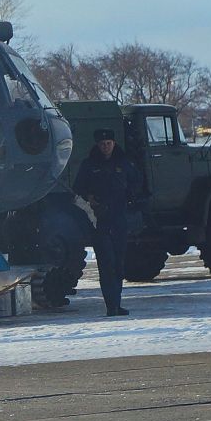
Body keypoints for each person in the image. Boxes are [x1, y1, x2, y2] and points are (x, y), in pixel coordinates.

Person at [73, 128, 145, 318]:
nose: (106, 147)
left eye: (109, 143)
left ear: (114, 143)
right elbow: (77, 190)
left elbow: (137, 183)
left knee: (119, 263)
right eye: (102, 144)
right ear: (98, 145)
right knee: (106, 263)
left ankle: (117, 303)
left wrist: (131, 198)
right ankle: (110, 306)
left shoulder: (124, 163)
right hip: (99, 221)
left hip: (120, 219)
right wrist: (90, 200)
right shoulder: (89, 165)